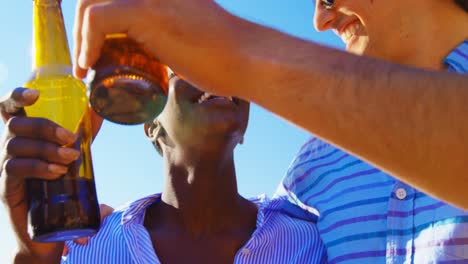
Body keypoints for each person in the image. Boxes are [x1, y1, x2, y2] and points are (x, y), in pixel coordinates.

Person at [72, 0, 468, 209]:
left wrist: (234, 50)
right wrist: (118, 232)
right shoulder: (314, 168)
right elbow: (250, 234)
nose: (319, 19)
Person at [0, 77, 327, 263]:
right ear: (151, 125)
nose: (216, 70)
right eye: (186, 60)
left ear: (243, 126)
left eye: (231, 62)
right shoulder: (89, 248)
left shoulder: (312, 244)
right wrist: (32, 256)